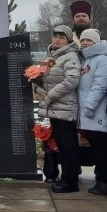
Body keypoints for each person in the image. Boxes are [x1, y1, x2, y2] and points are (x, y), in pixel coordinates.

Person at [35, 25, 81, 193]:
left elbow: (72, 80)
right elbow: (40, 76)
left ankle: (70, 181)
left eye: (62, 36)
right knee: (61, 145)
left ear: (68, 40)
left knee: (69, 146)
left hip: (65, 108)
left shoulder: (70, 56)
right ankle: (65, 178)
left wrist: (49, 96)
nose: (57, 39)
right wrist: (37, 88)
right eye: (55, 36)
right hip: (53, 107)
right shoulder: (50, 56)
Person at [77, 29, 107, 195]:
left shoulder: (103, 60)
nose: (85, 43)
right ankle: (101, 180)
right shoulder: (86, 59)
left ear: (97, 42)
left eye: (89, 40)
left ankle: (106, 182)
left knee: (102, 149)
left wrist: (89, 106)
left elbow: (100, 86)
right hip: (88, 113)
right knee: (97, 149)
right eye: (83, 40)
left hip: (96, 112)